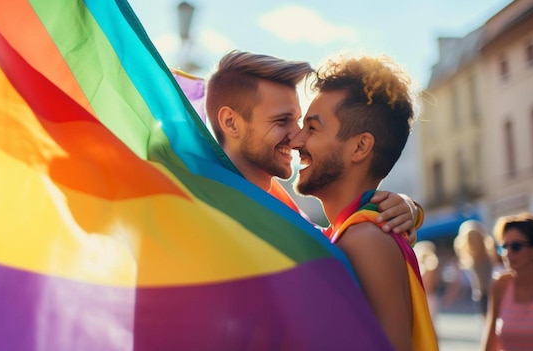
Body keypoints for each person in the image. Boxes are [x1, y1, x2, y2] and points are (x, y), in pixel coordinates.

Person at [290, 53, 438, 351]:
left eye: (313, 128)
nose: (296, 141)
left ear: (360, 147)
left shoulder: (364, 237)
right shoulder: (352, 230)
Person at [204, 50, 423, 233]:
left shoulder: (283, 216)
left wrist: (406, 208)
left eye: (299, 121)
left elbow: (326, 245)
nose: (297, 137)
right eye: (281, 121)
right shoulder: (205, 213)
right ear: (231, 123)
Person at [483, 212, 533, 351]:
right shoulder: (500, 285)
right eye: (504, 247)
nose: (508, 253)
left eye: (516, 246)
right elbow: (490, 342)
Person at [454, 219, 494, 317]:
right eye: (472, 239)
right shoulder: (470, 258)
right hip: (482, 294)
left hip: (490, 293)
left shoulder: (488, 255)